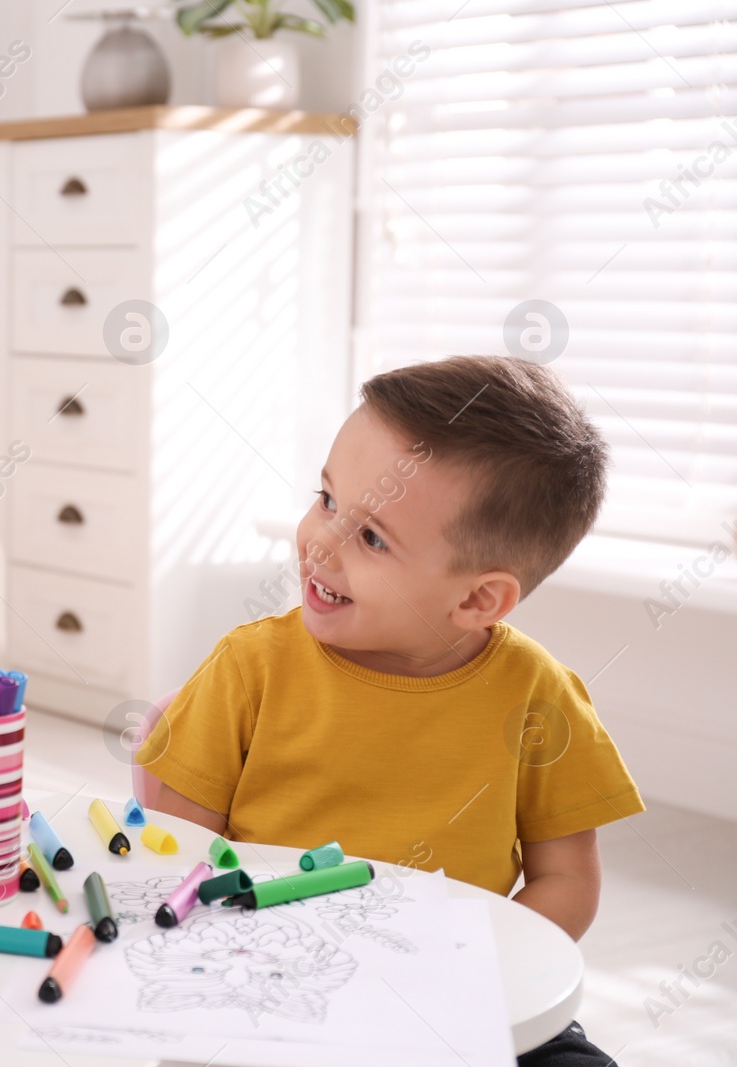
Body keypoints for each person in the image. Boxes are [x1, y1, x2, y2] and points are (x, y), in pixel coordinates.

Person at [138, 354, 642, 1065]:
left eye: (372, 537)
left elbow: (567, 879)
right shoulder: (249, 667)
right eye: (327, 498)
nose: (321, 540)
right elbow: (181, 858)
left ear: (476, 600)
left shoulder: (538, 693)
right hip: (274, 985)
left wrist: (468, 967)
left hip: (453, 992)